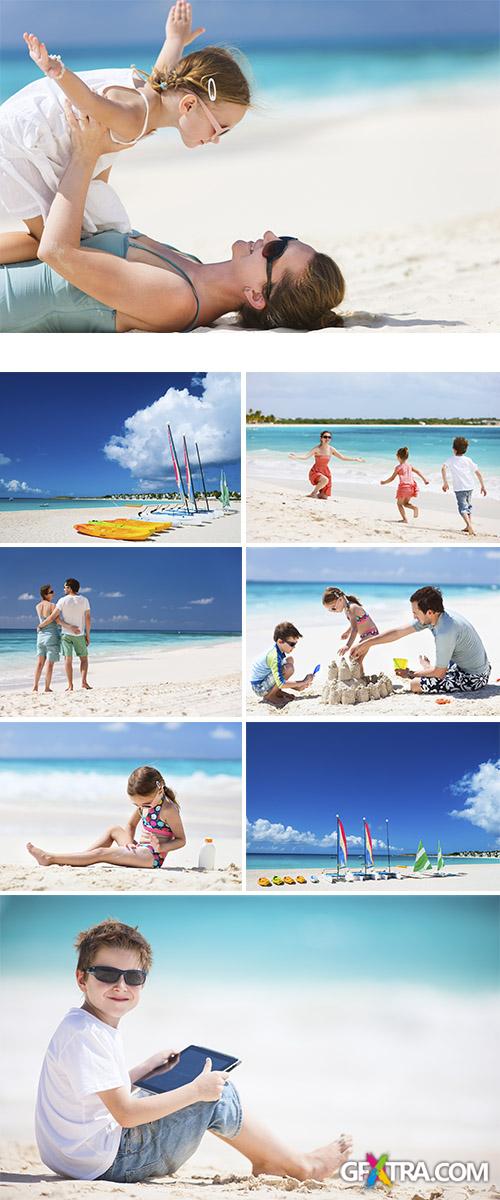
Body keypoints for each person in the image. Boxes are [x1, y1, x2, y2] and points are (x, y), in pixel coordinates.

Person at [35, 918, 352, 1183]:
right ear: (81, 978)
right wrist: (196, 1092)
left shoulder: (83, 1025)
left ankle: (275, 1157)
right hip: (110, 1163)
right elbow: (125, 1114)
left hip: (77, 1156)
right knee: (216, 1091)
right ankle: (292, 1165)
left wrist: (144, 1070)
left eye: (133, 977)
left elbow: (96, 1096)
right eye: (106, 974)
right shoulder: (88, 1034)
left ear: (143, 983)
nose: (120, 986)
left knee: (169, 1086)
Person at [0, 113, 346, 333]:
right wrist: (118, 133)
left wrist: (86, 153)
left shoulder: (177, 300)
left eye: (276, 250)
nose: (269, 234)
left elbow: (57, 251)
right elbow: (83, 225)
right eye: (284, 237)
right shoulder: (190, 266)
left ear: (257, 296)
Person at [0, 2, 250, 261]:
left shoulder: (157, 88)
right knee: (51, 237)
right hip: (21, 139)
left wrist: (175, 39)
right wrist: (59, 72)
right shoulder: (134, 119)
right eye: (220, 128)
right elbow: (89, 102)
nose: (216, 139)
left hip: (35, 127)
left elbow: (164, 67)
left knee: (75, 230)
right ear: (188, 105)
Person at [27, 766, 186, 871]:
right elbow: (130, 825)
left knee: (102, 853)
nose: (142, 807)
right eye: (137, 804)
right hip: (140, 849)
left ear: (160, 789)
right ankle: (82, 858)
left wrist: (161, 848)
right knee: (114, 829)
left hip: (153, 856)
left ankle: (50, 858)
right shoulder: (144, 805)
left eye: (145, 804)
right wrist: (129, 842)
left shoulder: (168, 809)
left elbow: (181, 840)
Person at [351, 584, 491, 695]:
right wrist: (367, 643)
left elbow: (439, 674)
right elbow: (398, 632)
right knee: (432, 671)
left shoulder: (445, 631)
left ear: (429, 612)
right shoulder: (436, 616)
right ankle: (430, 668)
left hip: (474, 677)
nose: (414, 617)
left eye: (415, 613)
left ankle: (429, 669)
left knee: (415, 685)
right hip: (466, 665)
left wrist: (410, 674)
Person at [37, 577, 91, 691]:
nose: (64, 589)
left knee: (68, 660)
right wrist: (88, 635)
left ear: (70, 588)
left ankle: (70, 685)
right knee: (84, 659)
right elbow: (88, 618)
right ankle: (84, 682)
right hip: (79, 634)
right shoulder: (85, 600)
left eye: (65, 587)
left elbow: (53, 617)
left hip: (66, 634)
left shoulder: (62, 600)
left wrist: (41, 625)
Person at [250, 621, 314, 709]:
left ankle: (276, 692)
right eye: (292, 644)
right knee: (289, 668)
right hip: (259, 687)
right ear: (280, 641)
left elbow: (280, 678)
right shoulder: (274, 656)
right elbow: (280, 683)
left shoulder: (279, 651)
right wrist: (303, 682)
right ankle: (270, 696)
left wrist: (298, 686)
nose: (294, 647)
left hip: (265, 682)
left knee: (289, 660)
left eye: (295, 644)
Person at [289, 432, 365, 500]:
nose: (327, 439)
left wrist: (355, 459)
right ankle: (313, 493)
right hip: (316, 471)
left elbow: (343, 458)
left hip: (326, 471)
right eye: (325, 437)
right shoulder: (317, 449)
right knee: (325, 480)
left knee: (324, 497)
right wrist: (295, 457)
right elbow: (305, 457)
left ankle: (317, 494)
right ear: (321, 438)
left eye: (329, 437)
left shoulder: (331, 449)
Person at [441, 436, 487, 537]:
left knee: (462, 508)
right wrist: (483, 486)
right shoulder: (468, 460)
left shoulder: (451, 459)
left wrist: (445, 482)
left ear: (454, 449)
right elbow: (478, 473)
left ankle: (470, 526)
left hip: (459, 488)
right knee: (468, 506)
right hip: (470, 486)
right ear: (465, 450)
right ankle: (468, 526)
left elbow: (443, 468)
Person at [322, 586, 379, 665]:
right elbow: (357, 622)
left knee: (353, 654)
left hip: (371, 634)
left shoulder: (352, 608)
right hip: (366, 635)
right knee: (358, 659)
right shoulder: (347, 609)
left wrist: (347, 646)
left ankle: (358, 675)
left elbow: (355, 629)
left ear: (340, 600)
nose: (332, 611)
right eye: (330, 610)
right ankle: (361, 675)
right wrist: (347, 632)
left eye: (333, 608)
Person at [33, 583, 69, 693]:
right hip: (51, 636)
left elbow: (43, 620)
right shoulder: (53, 606)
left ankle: (35, 687)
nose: (53, 593)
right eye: (51, 592)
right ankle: (47, 687)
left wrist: (40, 626)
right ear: (45, 594)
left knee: (39, 663)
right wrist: (69, 627)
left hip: (40, 637)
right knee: (50, 664)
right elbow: (57, 622)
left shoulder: (37, 606)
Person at [380, 446, 429, 523]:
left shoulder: (398, 467)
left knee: (399, 504)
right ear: (406, 457)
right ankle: (414, 508)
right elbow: (418, 472)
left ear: (398, 457)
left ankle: (405, 519)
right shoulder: (409, 466)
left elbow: (392, 478)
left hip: (403, 488)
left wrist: (384, 482)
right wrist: (424, 479)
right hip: (412, 487)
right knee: (405, 504)